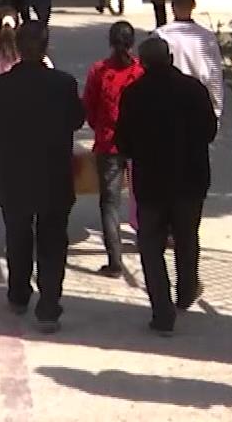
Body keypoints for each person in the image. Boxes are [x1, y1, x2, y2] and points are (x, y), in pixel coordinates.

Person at [0, 22, 84, 333]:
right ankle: (49, 306)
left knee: (18, 236)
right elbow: (77, 119)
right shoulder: (64, 84)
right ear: (46, 47)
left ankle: (19, 295)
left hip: (14, 173)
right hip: (54, 173)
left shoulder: (1, 86)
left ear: (18, 49)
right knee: (53, 240)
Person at [116, 35, 218, 336]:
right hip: (190, 180)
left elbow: (124, 141)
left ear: (143, 63)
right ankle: (186, 292)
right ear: (170, 59)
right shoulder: (194, 90)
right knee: (187, 238)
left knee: (151, 246)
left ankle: (162, 313)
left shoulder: (134, 94)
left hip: (151, 183)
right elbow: (209, 131)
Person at [82, 20, 145, 277]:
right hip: (140, 144)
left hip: (108, 143)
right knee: (143, 196)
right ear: (132, 42)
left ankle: (115, 261)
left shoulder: (99, 71)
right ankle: (147, 243)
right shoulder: (140, 72)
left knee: (110, 203)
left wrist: (99, 127)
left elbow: (89, 107)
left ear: (110, 41)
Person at [151, 0, 225, 118]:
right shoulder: (206, 36)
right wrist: (216, 110)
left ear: (172, 5)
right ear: (194, 5)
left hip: (169, 102)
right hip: (199, 102)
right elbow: (215, 76)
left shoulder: (161, 35)